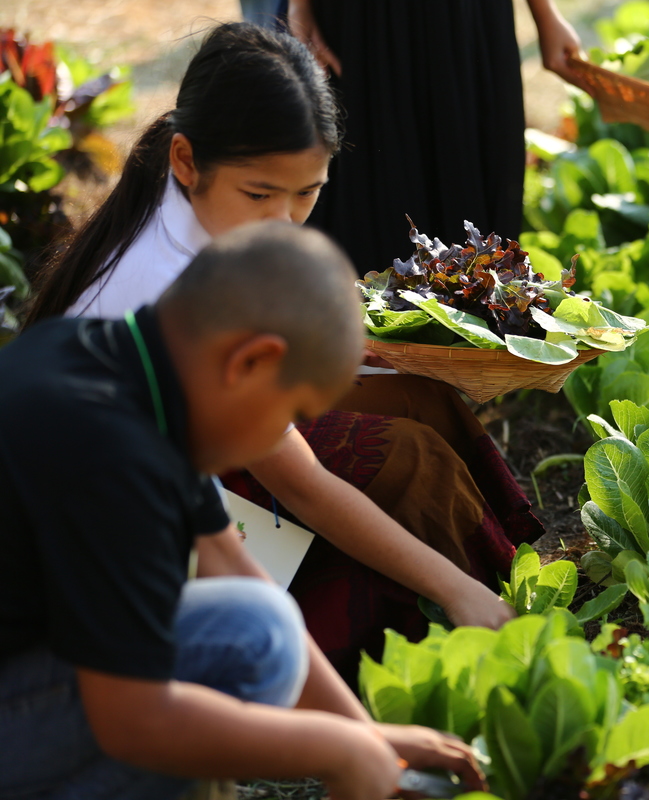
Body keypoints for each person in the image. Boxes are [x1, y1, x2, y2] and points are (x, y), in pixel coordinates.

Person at [24, 22, 541, 683]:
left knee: (420, 396)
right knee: (409, 460)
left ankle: (511, 571)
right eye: (262, 195)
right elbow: (302, 484)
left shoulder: (203, 201)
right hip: (134, 539)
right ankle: (475, 604)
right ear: (186, 160)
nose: (286, 220)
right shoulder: (175, 290)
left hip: (191, 453)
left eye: (308, 193)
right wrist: (451, 587)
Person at [0, 222, 483, 799]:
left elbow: (234, 565)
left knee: (259, 624)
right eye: (296, 409)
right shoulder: (113, 454)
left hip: (31, 656)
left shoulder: (114, 361)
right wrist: (337, 751)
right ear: (252, 362)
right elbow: (132, 720)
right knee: (199, 699)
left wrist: (370, 738)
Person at [286, 0, 582, 270]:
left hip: (467, 23)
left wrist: (545, 14)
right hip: (363, 24)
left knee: (479, 239)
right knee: (367, 217)